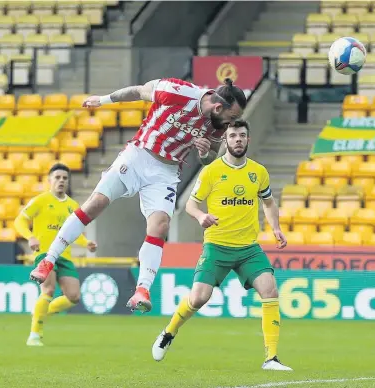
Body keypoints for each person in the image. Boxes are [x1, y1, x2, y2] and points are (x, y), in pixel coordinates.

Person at [29, 77, 247, 313]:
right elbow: (138, 91)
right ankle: (48, 259)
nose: (232, 124)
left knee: (160, 226)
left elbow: (210, 157)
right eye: (232, 117)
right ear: (218, 107)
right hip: (138, 155)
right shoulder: (179, 93)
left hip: (166, 171)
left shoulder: (218, 126)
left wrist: (204, 153)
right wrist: (102, 101)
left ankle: (142, 289)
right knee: (96, 204)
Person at [151, 120, 292, 371]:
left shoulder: (258, 172)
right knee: (198, 299)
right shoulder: (211, 171)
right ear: (225, 140)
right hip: (217, 246)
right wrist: (201, 217)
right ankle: (168, 332)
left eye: (242, 135)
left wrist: (276, 227)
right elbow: (191, 205)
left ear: (248, 140)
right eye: (233, 135)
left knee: (270, 291)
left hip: (248, 248)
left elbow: (269, 203)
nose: (237, 139)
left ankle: (271, 357)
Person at [14, 163, 98, 347]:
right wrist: (30, 237)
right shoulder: (40, 200)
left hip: (65, 256)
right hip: (45, 254)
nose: (61, 181)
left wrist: (86, 243)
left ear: (68, 182)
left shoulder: (73, 206)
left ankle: (42, 312)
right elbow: (20, 221)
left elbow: (75, 232)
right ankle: (35, 334)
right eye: (57, 177)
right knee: (49, 290)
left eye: (65, 178)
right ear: (49, 180)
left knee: (74, 297)